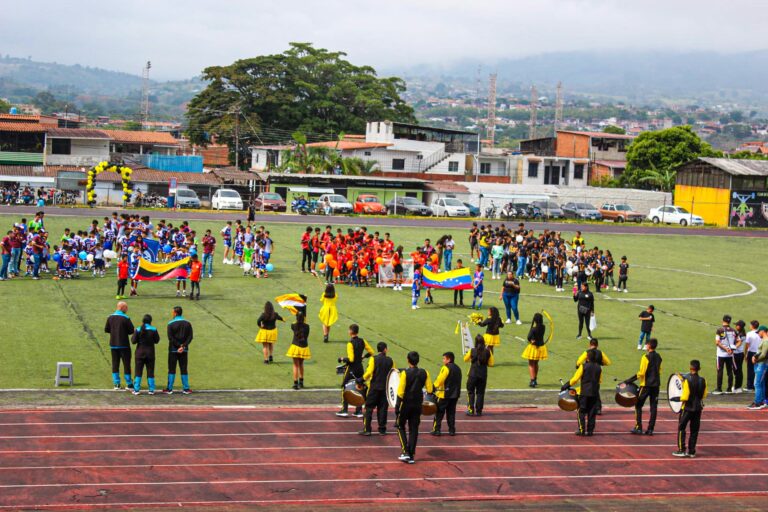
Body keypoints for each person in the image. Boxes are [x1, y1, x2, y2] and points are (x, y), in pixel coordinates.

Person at [396, 351, 433, 464]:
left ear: (408, 360)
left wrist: (397, 407)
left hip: (406, 404)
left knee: (400, 426)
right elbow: (430, 389)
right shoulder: (425, 372)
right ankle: (411, 455)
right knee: (414, 429)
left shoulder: (405, 374)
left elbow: (400, 392)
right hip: (417, 404)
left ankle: (405, 452)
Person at [337, 324, 374, 418]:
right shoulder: (363, 341)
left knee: (344, 386)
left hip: (351, 369)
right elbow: (371, 352)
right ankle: (359, 411)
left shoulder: (350, 343)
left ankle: (344, 410)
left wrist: (342, 358)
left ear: (350, 331)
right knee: (359, 387)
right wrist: (363, 356)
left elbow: (351, 359)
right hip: (360, 368)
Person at [628, 338, 663, 436]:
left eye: (646, 344)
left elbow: (641, 373)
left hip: (646, 385)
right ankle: (650, 429)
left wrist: (628, 381)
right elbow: (660, 371)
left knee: (638, 405)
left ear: (649, 346)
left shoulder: (645, 357)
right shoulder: (659, 357)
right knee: (653, 407)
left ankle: (638, 427)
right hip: (656, 385)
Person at [359, 341, 395, 436]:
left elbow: (369, 372)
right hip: (385, 389)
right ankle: (382, 429)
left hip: (374, 388)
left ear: (378, 349)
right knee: (383, 409)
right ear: (385, 349)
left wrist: (361, 379)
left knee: (369, 408)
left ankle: (367, 429)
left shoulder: (373, 359)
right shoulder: (390, 360)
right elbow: (394, 374)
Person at [563, 348, 602, 436]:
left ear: (587, 358)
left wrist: (566, 385)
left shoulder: (583, 366)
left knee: (581, 411)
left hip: (584, 392)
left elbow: (575, 379)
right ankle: (590, 431)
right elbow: (600, 381)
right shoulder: (599, 368)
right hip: (594, 393)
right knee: (592, 412)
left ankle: (582, 429)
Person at [673, 360, 707, 458]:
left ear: (690, 368)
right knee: (694, 430)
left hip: (687, 408)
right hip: (698, 409)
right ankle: (692, 451)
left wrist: (676, 399)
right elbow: (704, 395)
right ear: (699, 369)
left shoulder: (687, 380)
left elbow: (685, 396)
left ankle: (681, 450)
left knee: (681, 428)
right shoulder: (703, 380)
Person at [105, 301, 135, 390]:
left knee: (115, 364)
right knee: (126, 364)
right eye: (126, 308)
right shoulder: (126, 318)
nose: (127, 309)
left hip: (113, 344)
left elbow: (106, 329)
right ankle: (129, 383)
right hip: (124, 345)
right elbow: (131, 331)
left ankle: (116, 384)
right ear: (122, 308)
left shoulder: (110, 317)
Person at [576, 338, 611, 415]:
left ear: (589, 344)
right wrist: (601, 363)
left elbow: (579, 361)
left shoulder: (587, 352)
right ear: (597, 345)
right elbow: (608, 362)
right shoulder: (600, 352)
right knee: (596, 391)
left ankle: (584, 408)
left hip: (587, 374)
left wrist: (578, 366)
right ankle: (598, 409)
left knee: (584, 390)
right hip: (597, 375)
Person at [164, 306, 193, 395]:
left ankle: (169, 389)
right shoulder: (188, 323)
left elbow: (170, 338)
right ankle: (186, 388)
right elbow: (190, 337)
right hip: (184, 350)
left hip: (173, 350)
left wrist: (178, 346)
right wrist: (183, 346)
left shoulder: (170, 324)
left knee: (172, 369)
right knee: (184, 369)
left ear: (175, 313)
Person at [431, 351, 462, 436]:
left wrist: (433, 387)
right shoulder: (458, 368)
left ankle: (437, 430)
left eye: (444, 358)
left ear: (449, 359)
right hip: (454, 395)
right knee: (451, 413)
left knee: (439, 413)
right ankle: (452, 430)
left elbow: (440, 380)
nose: (443, 360)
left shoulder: (445, 368)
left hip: (444, 394)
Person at [464, 334, 494, 416]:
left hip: (473, 374)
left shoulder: (472, 350)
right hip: (483, 375)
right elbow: (491, 364)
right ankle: (479, 411)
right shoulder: (488, 351)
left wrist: (471, 357)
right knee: (480, 393)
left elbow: (465, 359)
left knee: (470, 392)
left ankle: (470, 410)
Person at [131, 314, 160, 395]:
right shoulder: (154, 329)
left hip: (139, 354)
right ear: (150, 321)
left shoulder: (138, 329)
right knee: (150, 371)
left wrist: (134, 333)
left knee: (138, 371)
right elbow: (157, 341)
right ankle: (151, 390)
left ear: (142, 321)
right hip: (150, 354)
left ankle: (136, 390)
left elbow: (133, 341)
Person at [286, 311, 311, 390]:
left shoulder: (294, 325)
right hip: (304, 347)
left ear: (296, 318)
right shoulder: (307, 326)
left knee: (295, 365)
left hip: (295, 347)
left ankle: (295, 383)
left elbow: (294, 323)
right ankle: (301, 381)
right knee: (301, 364)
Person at [713, 315, 737, 395]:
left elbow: (717, 342)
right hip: (730, 355)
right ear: (730, 321)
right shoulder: (734, 330)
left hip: (721, 354)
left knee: (720, 371)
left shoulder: (719, 330)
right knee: (730, 371)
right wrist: (732, 349)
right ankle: (729, 389)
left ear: (723, 320)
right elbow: (739, 341)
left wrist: (725, 349)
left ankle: (719, 389)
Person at [522, 312, 547, 388]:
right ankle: (535, 378)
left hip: (534, 348)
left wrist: (532, 339)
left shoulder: (533, 329)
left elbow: (529, 337)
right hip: (541, 348)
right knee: (536, 363)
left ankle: (532, 380)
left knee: (531, 364)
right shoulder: (543, 327)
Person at [749, 325, 768, 410]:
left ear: (762, 331)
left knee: (757, 383)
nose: (758, 334)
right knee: (761, 383)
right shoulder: (764, 340)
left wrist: (756, 359)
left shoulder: (766, 341)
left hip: (761, 364)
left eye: (759, 332)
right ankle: (761, 401)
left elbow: (764, 354)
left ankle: (758, 403)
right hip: (761, 364)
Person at [744, 320, 761, 397]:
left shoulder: (749, 334)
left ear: (752, 326)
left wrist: (745, 354)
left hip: (751, 353)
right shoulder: (760, 333)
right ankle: (755, 385)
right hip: (759, 353)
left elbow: (747, 345)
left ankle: (749, 386)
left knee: (750, 369)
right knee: (757, 369)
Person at [732, 320, 747, 393]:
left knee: (737, 371)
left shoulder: (740, 335)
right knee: (739, 370)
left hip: (737, 354)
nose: (735, 326)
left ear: (739, 327)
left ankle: (737, 387)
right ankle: (738, 387)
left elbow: (736, 344)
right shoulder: (742, 333)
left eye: (737, 325)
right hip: (740, 354)